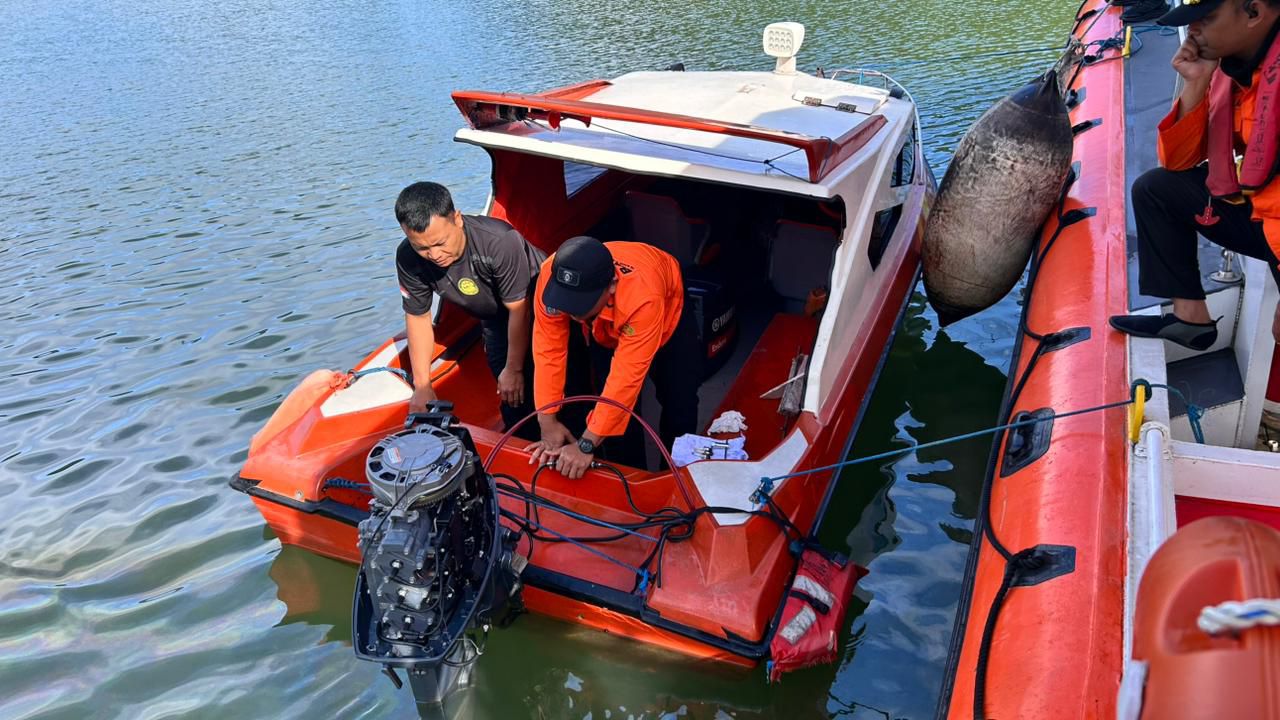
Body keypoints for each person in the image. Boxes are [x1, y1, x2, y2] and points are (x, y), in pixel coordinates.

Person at [1110, 0, 1280, 349]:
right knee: (1156, 190)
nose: (1193, 31)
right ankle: (1191, 320)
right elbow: (1177, 163)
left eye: (1206, 18)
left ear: (1254, 12)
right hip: (1263, 216)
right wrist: (1197, 82)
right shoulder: (1237, 70)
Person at [525, 237, 702, 478]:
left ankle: (674, 477)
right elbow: (548, 351)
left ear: (612, 285)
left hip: (666, 315)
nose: (572, 313)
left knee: (679, 402)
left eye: (580, 304)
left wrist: (585, 445)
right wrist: (547, 423)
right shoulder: (551, 275)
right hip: (603, 327)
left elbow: (626, 379)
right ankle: (626, 479)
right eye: (567, 302)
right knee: (614, 418)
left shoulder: (644, 296)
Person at [394, 182, 545, 436]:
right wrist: (422, 385)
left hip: (541, 309)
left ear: (457, 219)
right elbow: (418, 317)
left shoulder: (499, 242)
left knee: (553, 385)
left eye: (440, 243)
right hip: (494, 318)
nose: (434, 255)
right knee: (512, 397)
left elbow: (520, 309)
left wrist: (515, 368)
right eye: (422, 248)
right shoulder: (409, 259)